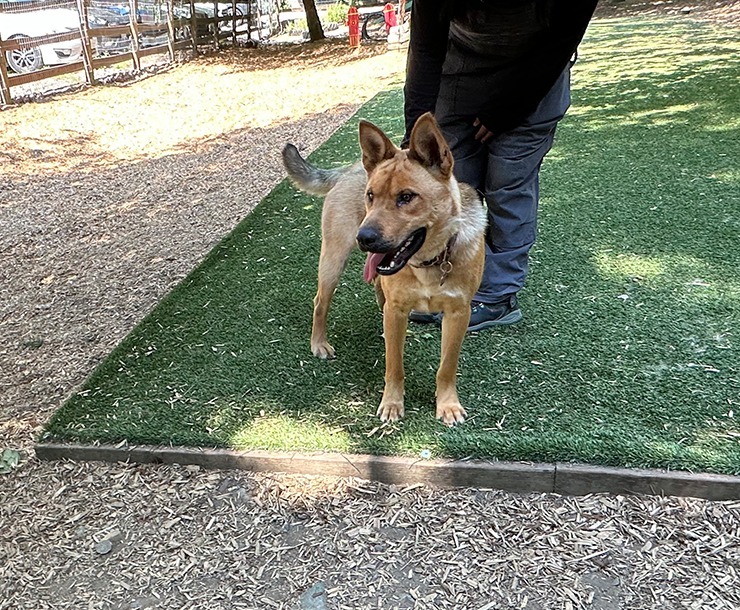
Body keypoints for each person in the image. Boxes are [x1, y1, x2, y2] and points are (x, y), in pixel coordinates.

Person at [403, 0, 598, 331]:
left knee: (508, 184)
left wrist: (508, 110)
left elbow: (562, 40)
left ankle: (497, 296)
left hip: (537, 71)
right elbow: (426, 47)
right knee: (455, 182)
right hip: (463, 64)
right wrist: (412, 136)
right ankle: (444, 287)